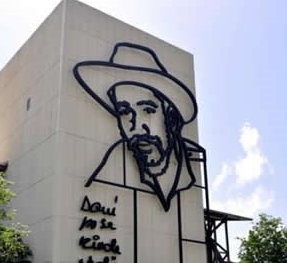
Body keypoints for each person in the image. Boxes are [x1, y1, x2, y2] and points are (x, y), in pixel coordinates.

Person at [73, 42, 204, 212]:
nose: (136, 127)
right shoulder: (113, 165)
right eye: (124, 112)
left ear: (172, 117)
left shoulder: (192, 165)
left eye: (147, 110)